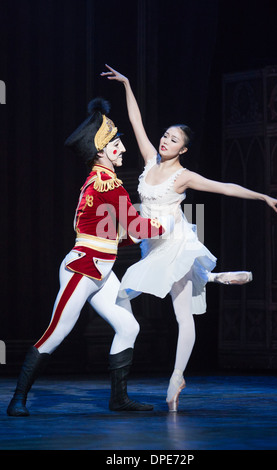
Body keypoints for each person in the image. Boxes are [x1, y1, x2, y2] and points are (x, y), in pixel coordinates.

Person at [101, 64, 277, 412]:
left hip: (176, 244)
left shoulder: (184, 177)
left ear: (183, 149)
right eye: (166, 136)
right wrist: (127, 84)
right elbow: (136, 122)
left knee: (174, 311)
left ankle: (177, 376)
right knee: (125, 295)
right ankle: (212, 276)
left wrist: (263, 196)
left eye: (173, 139)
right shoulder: (148, 160)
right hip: (151, 243)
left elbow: (225, 188)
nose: (165, 140)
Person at [7, 97, 167, 416]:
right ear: (103, 149)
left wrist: (136, 233)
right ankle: (17, 399)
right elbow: (136, 225)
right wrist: (168, 223)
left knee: (128, 327)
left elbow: (113, 234)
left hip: (101, 271)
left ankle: (118, 399)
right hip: (82, 270)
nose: (122, 148)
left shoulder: (101, 184)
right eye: (117, 143)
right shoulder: (107, 186)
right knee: (56, 333)